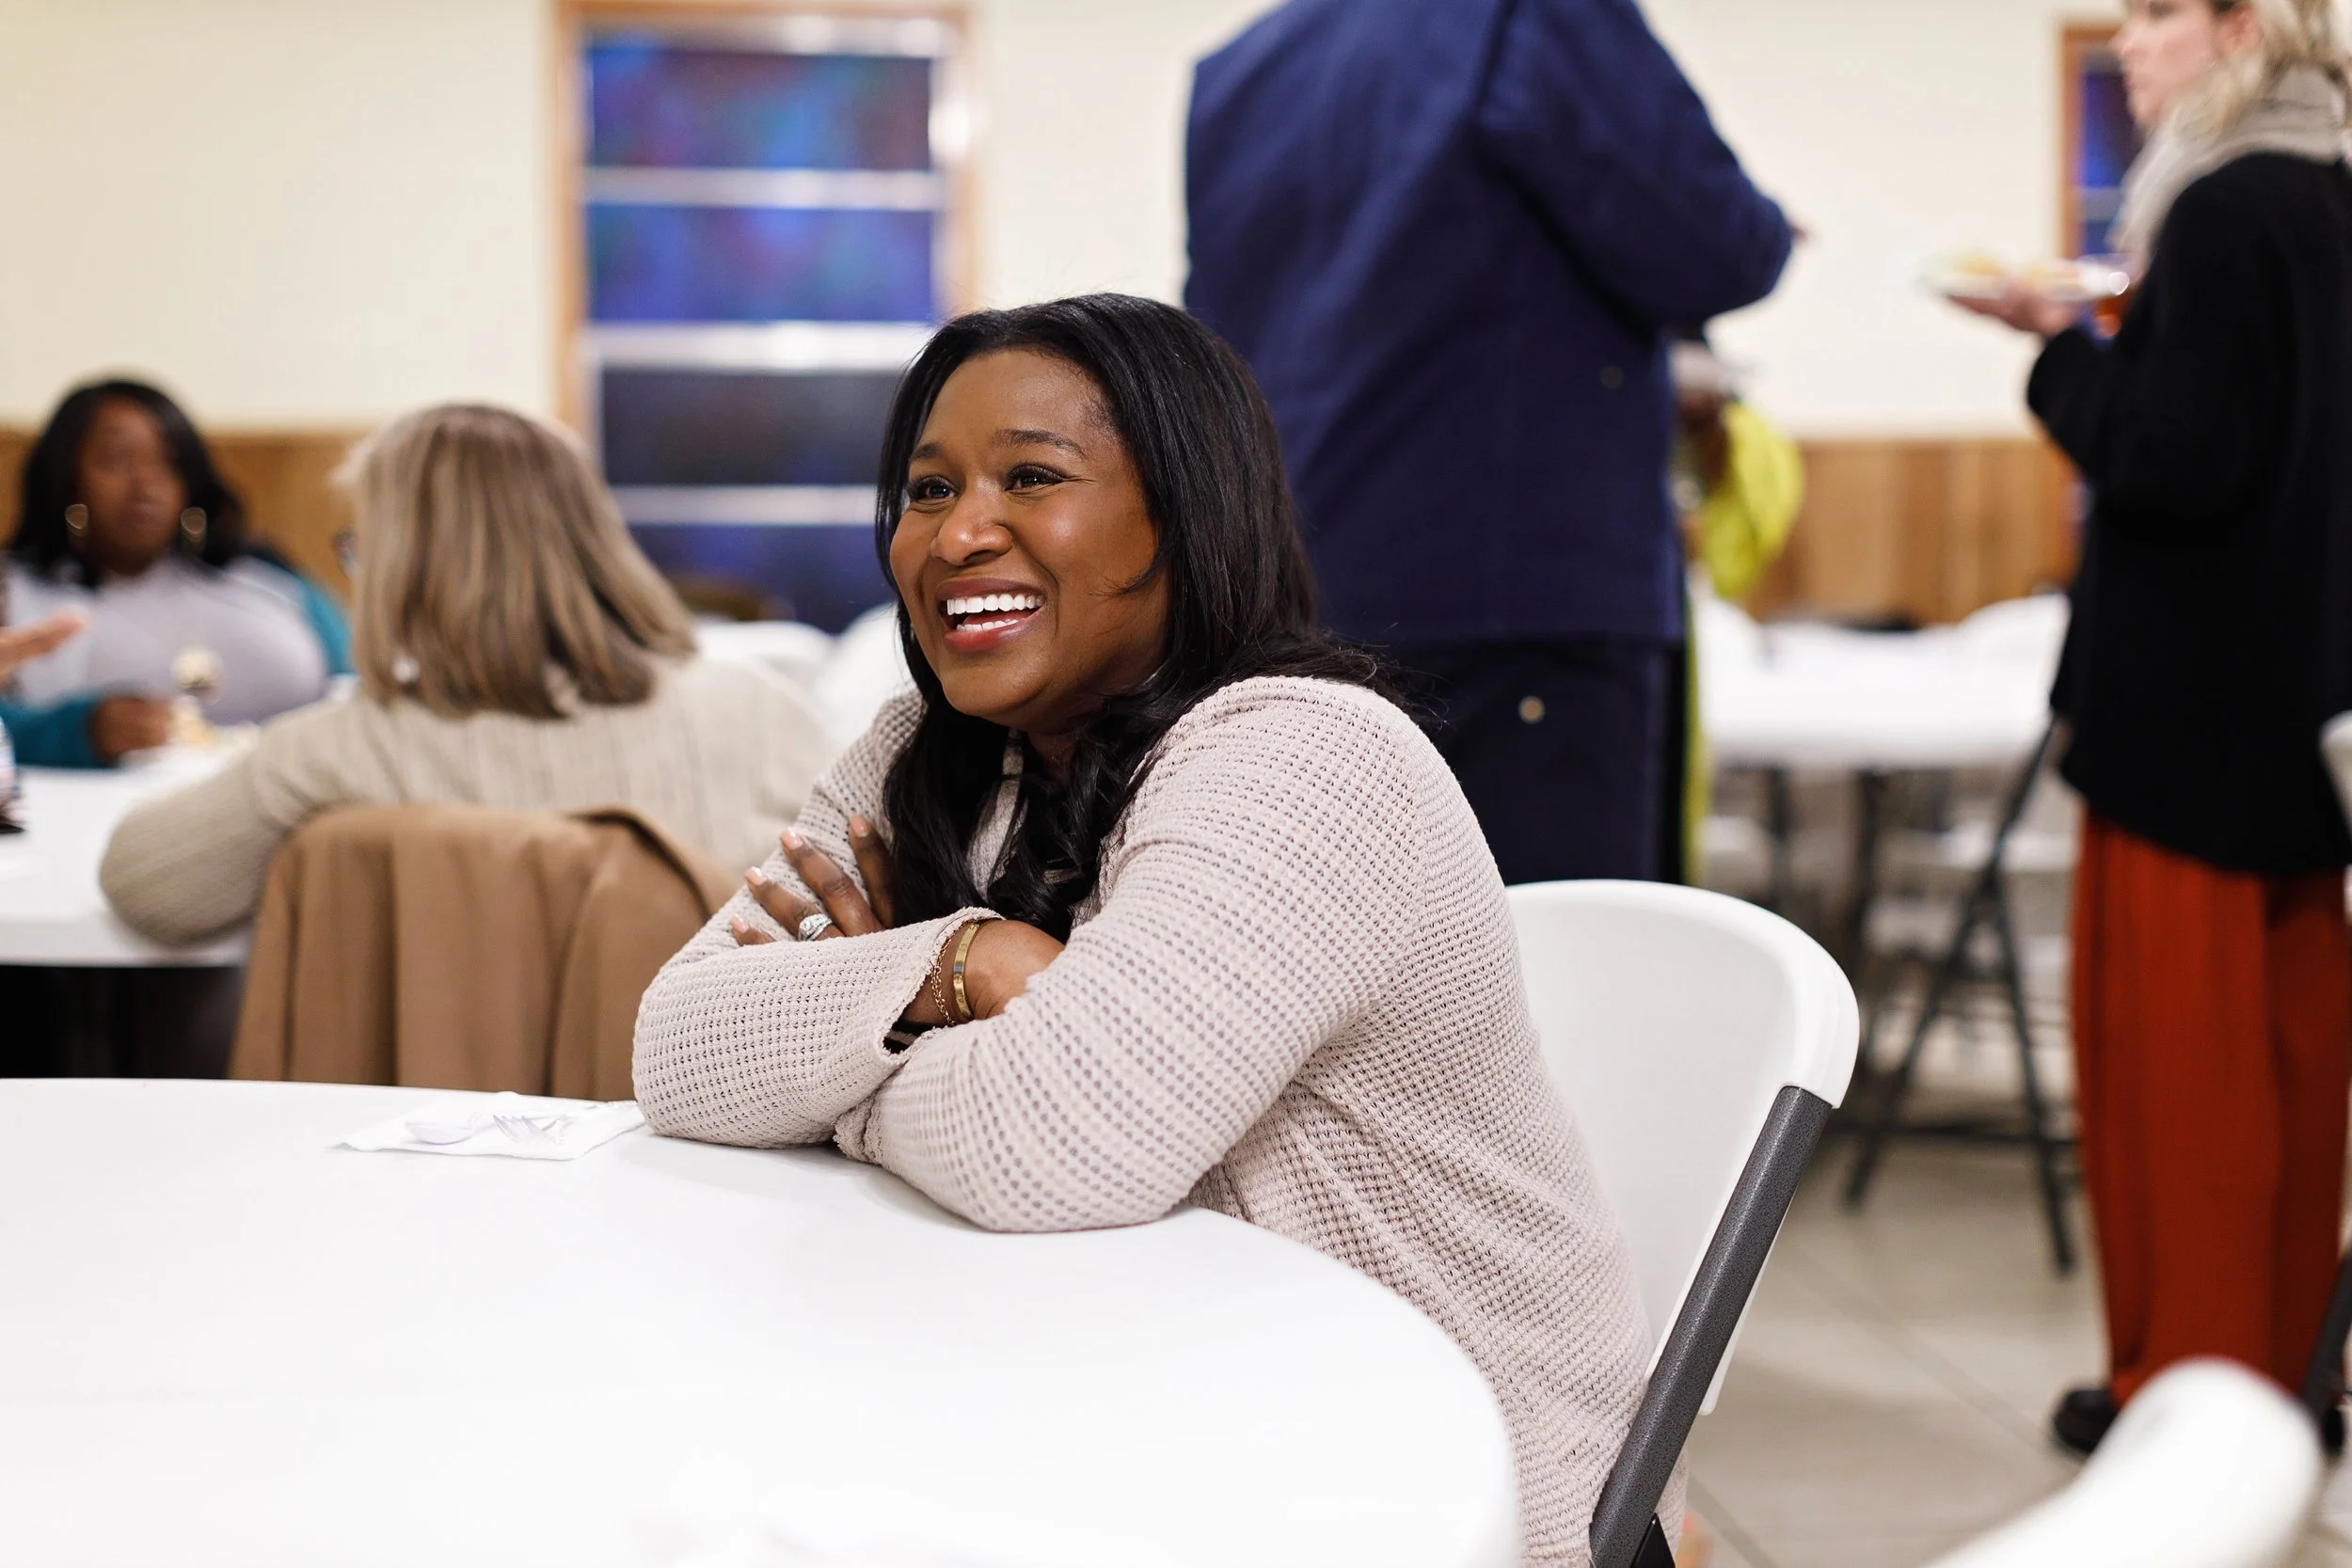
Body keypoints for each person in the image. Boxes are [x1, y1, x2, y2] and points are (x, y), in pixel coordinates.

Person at [633, 295, 1656, 1565]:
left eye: (1032, 477)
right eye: (928, 487)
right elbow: (676, 1043)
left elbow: (1049, 1147)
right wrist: (965, 965)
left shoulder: (1300, 754)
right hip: (1115, 1416)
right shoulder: (920, 755)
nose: (960, 533)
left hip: (1422, 1479)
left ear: (1182, 515)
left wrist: (836, 1040)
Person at [1951, 0, 2352, 1456]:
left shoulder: (2226, 203)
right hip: (2310, 714)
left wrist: (2062, 346)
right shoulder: (2328, 191)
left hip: (2189, 717)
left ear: (2249, 25)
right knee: (2300, 1073)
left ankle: (2184, 1398)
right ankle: (2293, 1380)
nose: (2130, 43)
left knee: (2177, 1086)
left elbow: (2177, 458)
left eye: (2164, 13)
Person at [1184, 0, 1792, 885]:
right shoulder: (1526, 14)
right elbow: (1718, 243)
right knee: (1563, 985)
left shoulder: (1240, 69)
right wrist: (1769, 228)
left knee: (1348, 987)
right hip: (1517, 605)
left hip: (1297, 602)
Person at [101, 404, 834, 946]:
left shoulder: (347, 745)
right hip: (713, 1133)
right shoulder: (766, 713)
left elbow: (142, 885)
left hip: (432, 1133)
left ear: (402, 572)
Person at [5, 379, 353, 767]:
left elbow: (362, 689)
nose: (145, 482)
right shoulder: (14, 590)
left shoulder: (268, 579)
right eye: (117, 459)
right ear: (65, 478)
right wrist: (69, 733)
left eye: (170, 462)